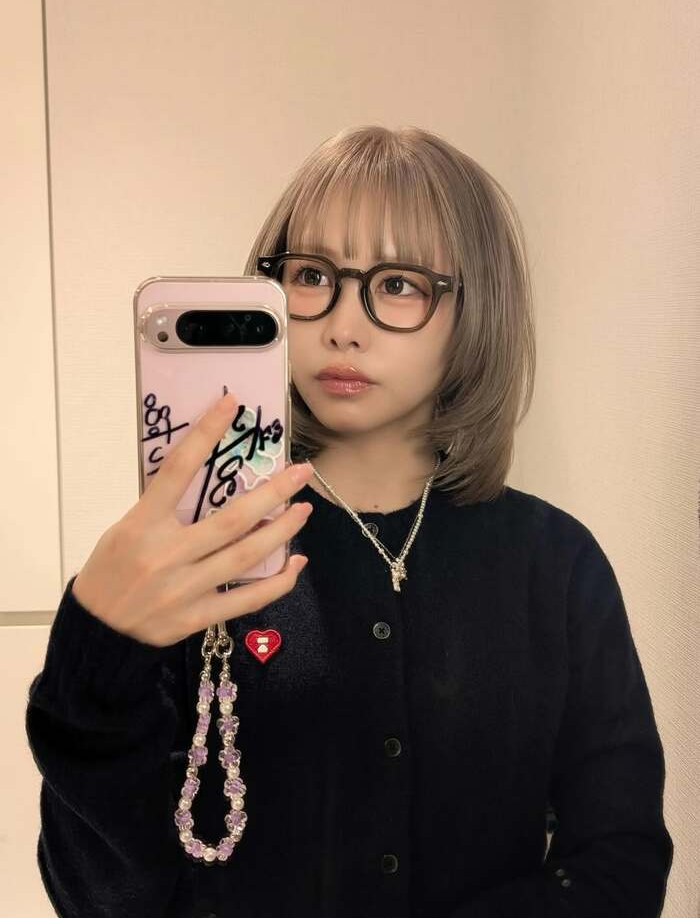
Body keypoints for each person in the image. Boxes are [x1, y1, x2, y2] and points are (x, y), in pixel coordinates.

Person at [25, 125, 673, 918]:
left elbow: (619, 865)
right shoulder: (195, 562)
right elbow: (102, 900)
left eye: (397, 284)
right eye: (312, 275)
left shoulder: (556, 564)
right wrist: (98, 649)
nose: (341, 324)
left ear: (476, 307)